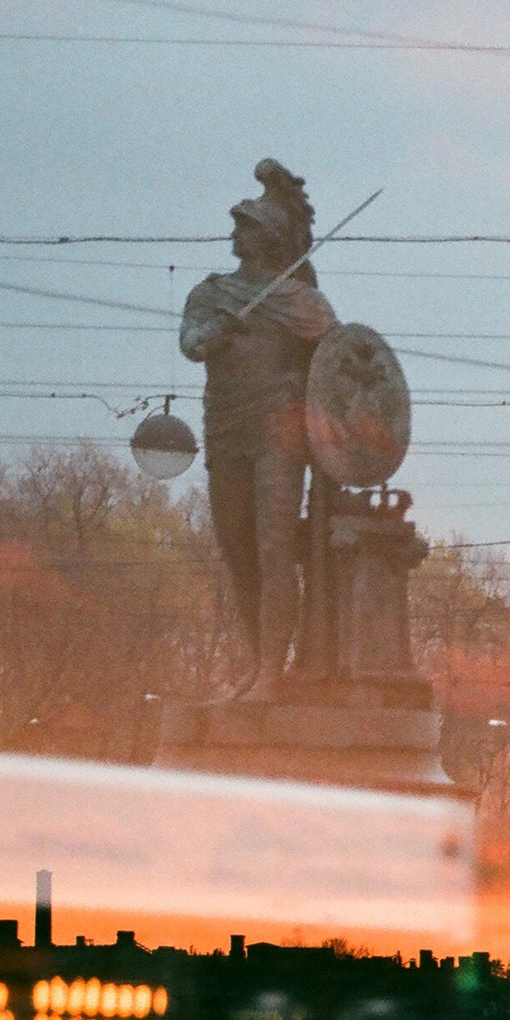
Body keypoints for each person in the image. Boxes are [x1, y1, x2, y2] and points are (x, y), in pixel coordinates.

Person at [179, 160, 338, 700]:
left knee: (274, 546)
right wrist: (216, 334)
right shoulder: (211, 294)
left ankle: (272, 671)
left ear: (268, 238)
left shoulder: (304, 304)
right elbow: (191, 344)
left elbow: (341, 364)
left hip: (279, 429)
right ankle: (254, 664)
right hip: (225, 428)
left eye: (245, 225)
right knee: (237, 547)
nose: (235, 232)